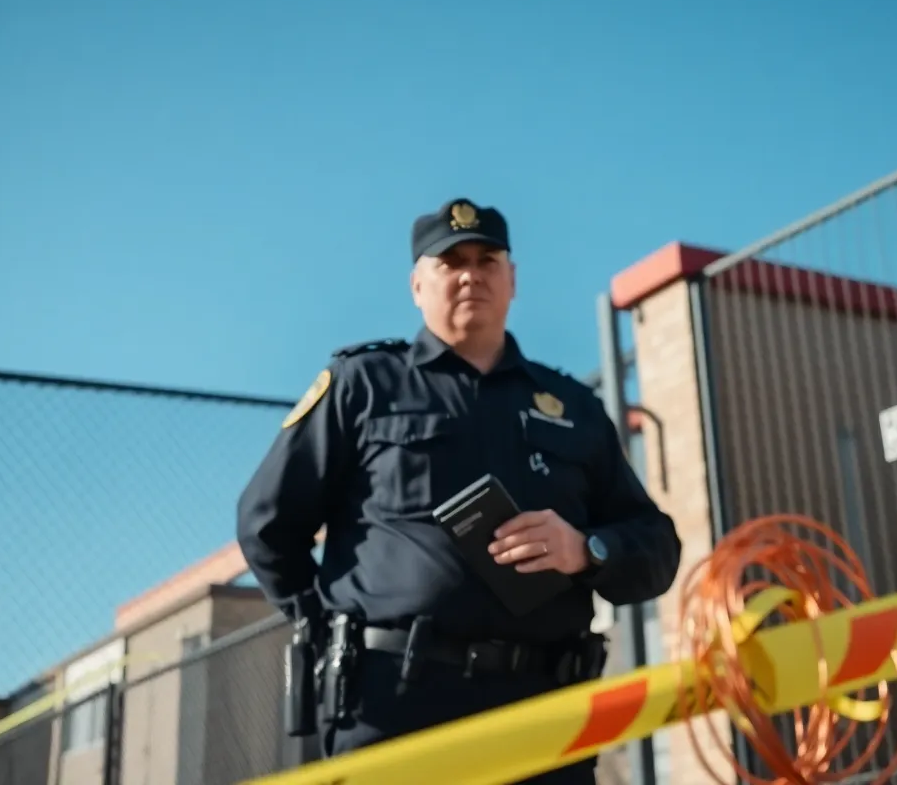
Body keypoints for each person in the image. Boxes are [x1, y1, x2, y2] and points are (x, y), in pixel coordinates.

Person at [236, 197, 682, 783]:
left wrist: (585, 550)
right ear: (418, 284)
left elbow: (656, 546)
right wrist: (327, 628)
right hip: (394, 705)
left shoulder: (573, 408)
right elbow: (267, 524)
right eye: (450, 262)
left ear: (512, 279)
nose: (471, 274)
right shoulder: (363, 386)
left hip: (544, 710)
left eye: (487, 260)